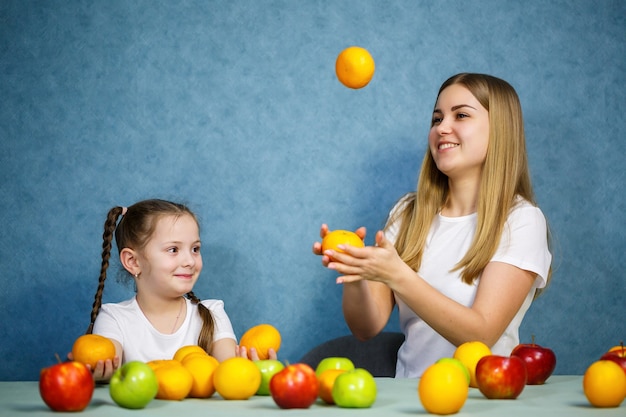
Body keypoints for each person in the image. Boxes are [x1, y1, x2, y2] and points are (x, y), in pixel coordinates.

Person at [313, 73, 552, 378]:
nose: (442, 127)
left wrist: (399, 277)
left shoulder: (521, 220)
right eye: (437, 118)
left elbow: (480, 335)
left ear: (501, 130)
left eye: (461, 115)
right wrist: (355, 273)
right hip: (409, 400)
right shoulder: (408, 213)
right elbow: (365, 328)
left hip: (481, 401)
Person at [82, 199, 274, 381]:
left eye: (195, 249)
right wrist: (100, 373)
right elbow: (107, 363)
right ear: (133, 262)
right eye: (173, 249)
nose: (190, 261)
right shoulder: (114, 318)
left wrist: (253, 369)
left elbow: (231, 369)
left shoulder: (212, 313)